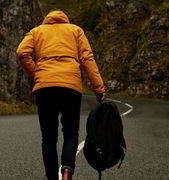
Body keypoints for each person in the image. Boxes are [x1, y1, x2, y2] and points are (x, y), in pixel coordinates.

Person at [16, 9, 105, 180]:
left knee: (48, 136)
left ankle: (51, 177)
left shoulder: (37, 31)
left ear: (47, 19)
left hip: (44, 87)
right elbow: (87, 58)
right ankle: (67, 172)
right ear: (65, 19)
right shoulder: (75, 30)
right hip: (70, 86)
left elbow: (22, 52)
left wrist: (36, 74)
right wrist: (98, 88)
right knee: (71, 132)